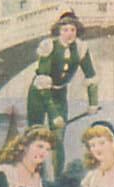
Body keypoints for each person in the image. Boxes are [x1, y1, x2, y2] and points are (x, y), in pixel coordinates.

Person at [26, 9, 99, 178]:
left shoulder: (81, 48)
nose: (69, 34)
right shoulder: (49, 46)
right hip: (39, 94)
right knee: (36, 137)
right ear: (59, 32)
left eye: (72, 30)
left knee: (58, 139)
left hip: (59, 94)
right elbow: (43, 81)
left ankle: (57, 179)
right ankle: (36, 176)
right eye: (65, 30)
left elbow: (91, 76)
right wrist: (53, 114)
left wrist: (92, 103)